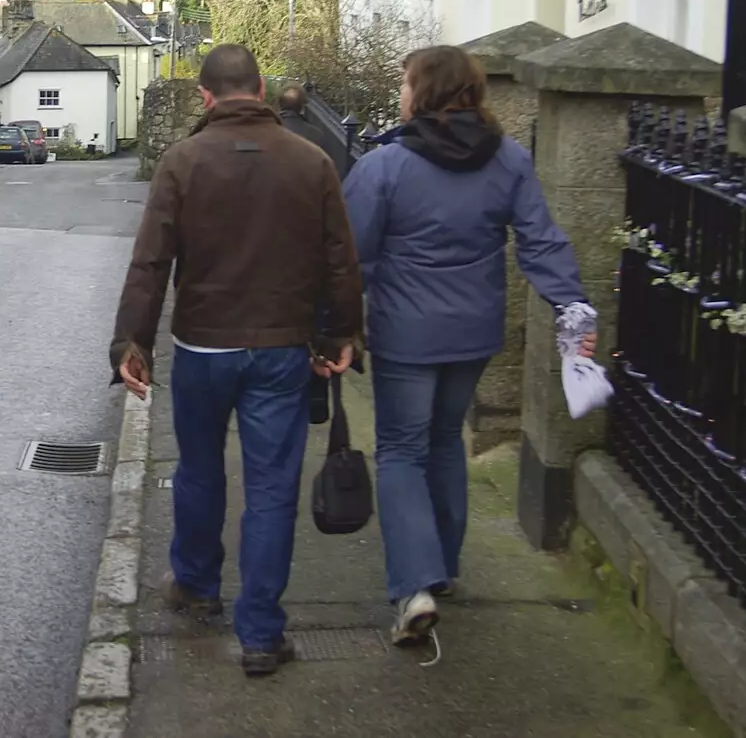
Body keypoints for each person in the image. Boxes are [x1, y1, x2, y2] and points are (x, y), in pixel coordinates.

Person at [110, 44, 363, 677]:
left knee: (199, 472)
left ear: (205, 97)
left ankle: (196, 584)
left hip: (202, 346)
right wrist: (340, 336)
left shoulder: (182, 162)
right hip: (281, 349)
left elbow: (150, 262)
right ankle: (260, 633)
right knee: (272, 489)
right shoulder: (313, 162)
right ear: (262, 89)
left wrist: (131, 343)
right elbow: (340, 259)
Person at [341, 45, 593, 647]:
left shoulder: (385, 168)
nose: (401, 93)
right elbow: (541, 241)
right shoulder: (508, 160)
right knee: (445, 440)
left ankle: (414, 586)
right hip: (474, 332)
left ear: (423, 91)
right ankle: (443, 568)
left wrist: (333, 327)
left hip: (406, 333)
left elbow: (351, 258)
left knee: (401, 450)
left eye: (405, 82)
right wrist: (573, 307)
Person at [275, 83, 356, 426]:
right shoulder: (318, 139)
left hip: (274, 241)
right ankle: (317, 399)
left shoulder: (270, 136)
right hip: (310, 240)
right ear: (306, 107)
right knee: (314, 319)